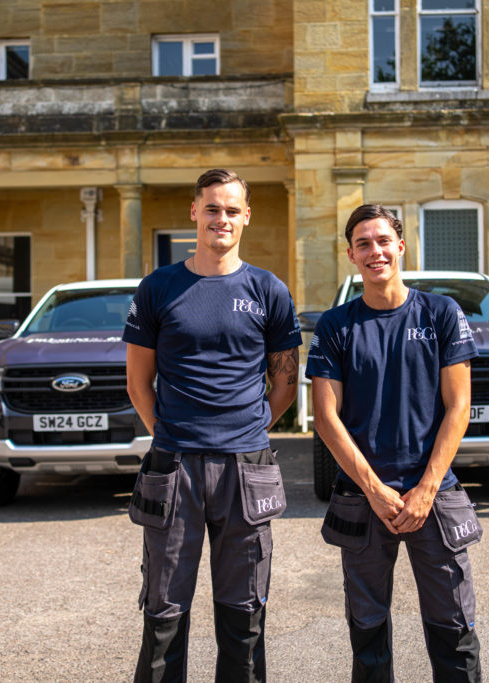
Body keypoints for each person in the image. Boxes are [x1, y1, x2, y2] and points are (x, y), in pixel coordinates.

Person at [123, 168, 301, 682]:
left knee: (244, 612)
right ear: (194, 212)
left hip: (246, 469)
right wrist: (172, 432)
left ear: (246, 217)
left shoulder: (268, 290)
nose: (220, 218)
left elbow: (285, 382)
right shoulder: (159, 288)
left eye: (231, 209)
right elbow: (139, 383)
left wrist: (248, 432)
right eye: (211, 207)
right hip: (174, 466)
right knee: (163, 611)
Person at [306, 204, 483, 682]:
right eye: (363, 243)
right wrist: (375, 489)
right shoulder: (336, 326)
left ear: (401, 246)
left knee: (455, 628)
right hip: (364, 502)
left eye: (383, 240)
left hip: (435, 494)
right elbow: (325, 417)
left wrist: (425, 489)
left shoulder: (441, 313)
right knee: (367, 633)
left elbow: (458, 407)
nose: (375, 251)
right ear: (350, 254)